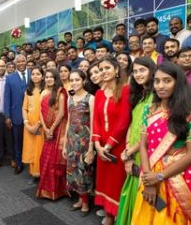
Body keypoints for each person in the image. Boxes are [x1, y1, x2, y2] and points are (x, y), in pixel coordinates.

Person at [131, 62, 191, 224]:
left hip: (180, 177)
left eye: (167, 80)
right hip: (150, 172)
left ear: (178, 83)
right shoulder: (148, 110)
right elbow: (143, 145)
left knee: (176, 218)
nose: (161, 86)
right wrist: (149, 179)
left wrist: (159, 176)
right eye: (157, 81)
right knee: (150, 215)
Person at [92, 58, 131, 225]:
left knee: (117, 182)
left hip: (118, 146)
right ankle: (108, 213)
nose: (103, 71)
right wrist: (97, 146)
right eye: (100, 69)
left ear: (116, 70)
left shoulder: (126, 90)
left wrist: (108, 146)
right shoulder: (99, 94)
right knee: (104, 181)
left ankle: (117, 215)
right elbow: (96, 121)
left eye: (107, 68)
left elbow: (124, 121)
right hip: (102, 147)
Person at [116, 57, 155, 225]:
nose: (138, 74)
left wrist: (129, 152)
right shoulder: (139, 96)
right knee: (132, 192)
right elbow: (132, 125)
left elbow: (150, 133)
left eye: (142, 70)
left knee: (150, 196)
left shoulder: (157, 97)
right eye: (135, 71)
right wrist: (127, 151)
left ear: (152, 71)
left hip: (148, 153)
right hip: (132, 151)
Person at [63, 69, 95, 216]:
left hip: (84, 141)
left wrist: (91, 148)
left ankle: (86, 202)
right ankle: (80, 199)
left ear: (84, 81)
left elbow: (94, 124)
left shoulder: (90, 98)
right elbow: (68, 121)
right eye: (72, 80)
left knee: (83, 172)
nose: (74, 82)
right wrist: (64, 144)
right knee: (72, 170)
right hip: (71, 140)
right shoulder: (70, 98)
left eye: (77, 80)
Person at [37, 69, 68, 200]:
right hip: (47, 128)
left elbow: (61, 113)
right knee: (45, 159)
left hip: (57, 129)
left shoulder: (60, 93)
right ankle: (45, 188)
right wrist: (45, 128)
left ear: (56, 78)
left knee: (55, 161)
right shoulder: (43, 92)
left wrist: (52, 128)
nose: (49, 79)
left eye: (51, 77)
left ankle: (57, 190)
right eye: (47, 77)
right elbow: (40, 111)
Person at [4, 55, 30, 174]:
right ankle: (19, 163)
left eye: (22, 61)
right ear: (15, 63)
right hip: (16, 115)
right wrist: (7, 116)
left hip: (33, 114)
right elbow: (7, 97)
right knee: (17, 141)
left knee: (33, 140)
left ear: (26, 61)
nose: (20, 63)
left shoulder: (33, 74)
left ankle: (33, 164)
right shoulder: (9, 78)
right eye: (18, 61)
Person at [22, 66, 44, 184]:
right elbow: (24, 108)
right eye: (33, 74)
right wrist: (26, 123)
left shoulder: (46, 90)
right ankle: (34, 174)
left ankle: (41, 174)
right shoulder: (28, 91)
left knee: (39, 149)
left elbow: (47, 110)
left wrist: (38, 124)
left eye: (38, 74)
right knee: (31, 149)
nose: (35, 76)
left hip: (41, 125)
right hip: (29, 125)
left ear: (42, 76)